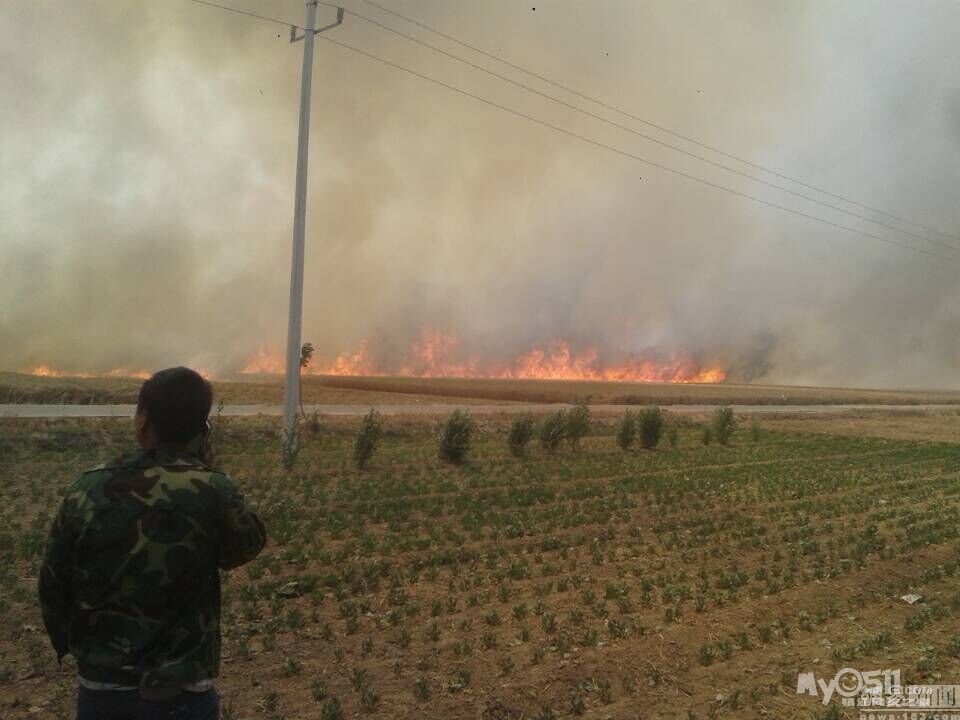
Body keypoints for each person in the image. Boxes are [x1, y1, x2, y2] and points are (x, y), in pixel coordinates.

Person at [38, 366, 267, 720]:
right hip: (183, 691)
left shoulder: (87, 489)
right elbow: (246, 546)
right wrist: (204, 468)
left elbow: (53, 582)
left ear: (143, 420)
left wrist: (75, 647)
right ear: (201, 429)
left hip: (104, 687)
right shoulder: (214, 491)